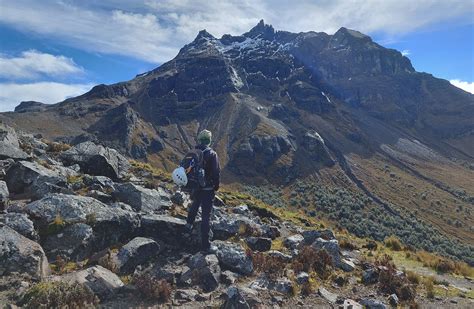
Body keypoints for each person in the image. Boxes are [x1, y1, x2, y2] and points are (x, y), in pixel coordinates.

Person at [184, 129, 220, 253]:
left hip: (195, 186)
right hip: (207, 188)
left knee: (194, 205)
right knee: (206, 215)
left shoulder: (193, 152)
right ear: (209, 141)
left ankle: (187, 227)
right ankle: (206, 246)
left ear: (199, 140)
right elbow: (216, 173)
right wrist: (216, 186)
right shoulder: (212, 154)